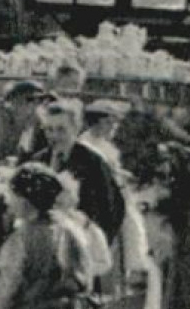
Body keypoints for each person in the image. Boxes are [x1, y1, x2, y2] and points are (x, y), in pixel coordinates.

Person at [0, 162, 101, 309]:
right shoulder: (74, 230)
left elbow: (5, 293)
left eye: (12, 194)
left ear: (25, 199)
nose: (7, 201)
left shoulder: (20, 240)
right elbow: (89, 276)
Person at [27, 98, 126, 247]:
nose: (54, 136)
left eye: (61, 129)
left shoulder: (93, 162)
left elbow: (110, 210)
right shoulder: (39, 161)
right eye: (49, 130)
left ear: (76, 128)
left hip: (84, 243)